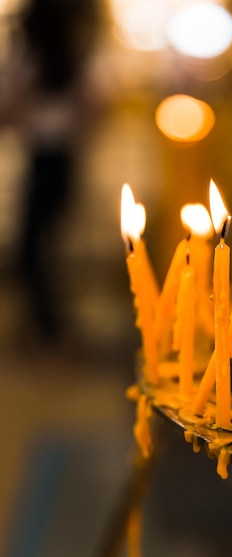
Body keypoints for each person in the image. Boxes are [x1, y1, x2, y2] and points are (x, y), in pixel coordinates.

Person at [2, 0, 101, 345]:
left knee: (31, 250)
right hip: (63, 159)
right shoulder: (77, 62)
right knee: (44, 247)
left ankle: (48, 326)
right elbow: (90, 114)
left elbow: (11, 110)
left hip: (45, 158)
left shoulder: (31, 63)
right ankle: (47, 324)